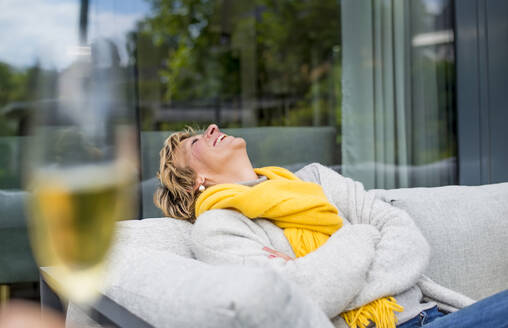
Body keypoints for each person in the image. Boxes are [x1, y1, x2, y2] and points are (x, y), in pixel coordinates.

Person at [154, 124, 508, 328]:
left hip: (432, 313)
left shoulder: (314, 178)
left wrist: (339, 275)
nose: (213, 128)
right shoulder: (219, 228)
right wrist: (363, 236)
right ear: (194, 180)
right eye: (197, 141)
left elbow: (408, 238)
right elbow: (300, 297)